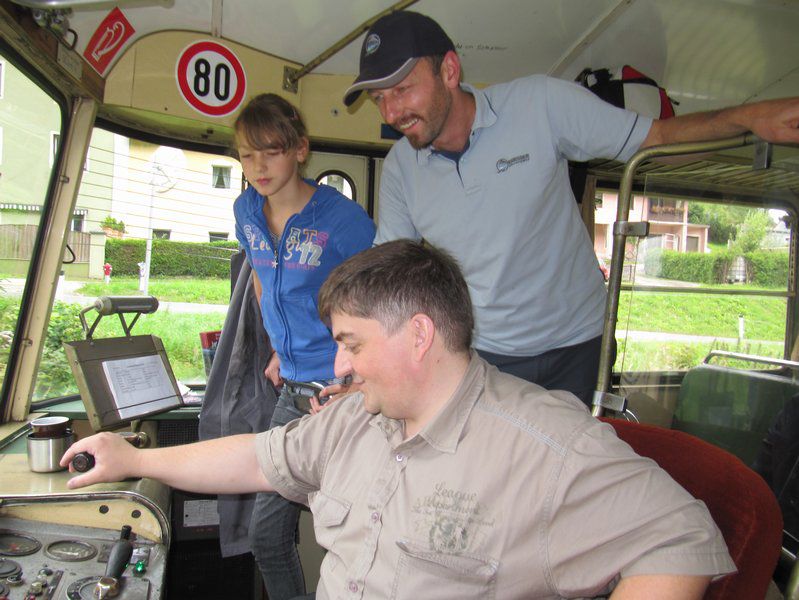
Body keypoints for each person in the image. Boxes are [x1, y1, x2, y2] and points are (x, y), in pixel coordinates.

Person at [63, 240, 736, 599]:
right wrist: (134, 462)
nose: (339, 365)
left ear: (417, 335)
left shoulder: (543, 446)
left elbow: (678, 539)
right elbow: (255, 459)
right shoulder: (355, 418)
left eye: (351, 343)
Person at [342, 10, 799, 406]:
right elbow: (392, 274)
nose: (390, 112)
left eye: (401, 89)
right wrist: (361, 365)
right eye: (379, 98)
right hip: (486, 356)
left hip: (581, 344)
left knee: (571, 487)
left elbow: (654, 140)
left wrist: (745, 118)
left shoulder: (539, 103)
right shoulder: (402, 166)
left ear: (449, 71)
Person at [231, 93, 375, 599]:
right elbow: (264, 284)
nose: (258, 167)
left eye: (270, 151)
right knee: (265, 536)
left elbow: (376, 303)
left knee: (353, 531)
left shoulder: (343, 219)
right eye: (247, 155)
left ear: (299, 150)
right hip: (291, 393)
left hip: (341, 393)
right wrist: (277, 347)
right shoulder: (246, 210)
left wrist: (359, 379)